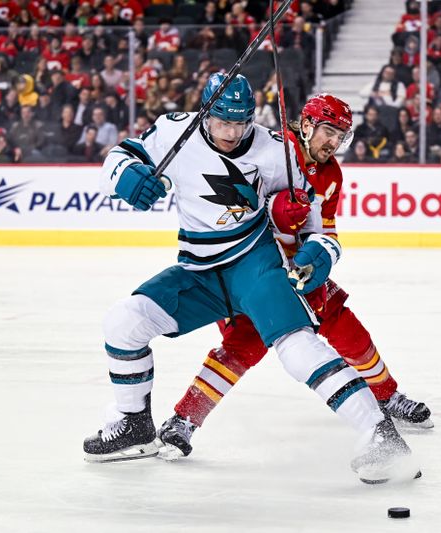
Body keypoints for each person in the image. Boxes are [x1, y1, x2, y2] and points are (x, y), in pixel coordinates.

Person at [83, 74, 417, 483]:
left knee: (296, 345)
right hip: (198, 271)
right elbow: (118, 158)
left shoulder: (275, 151)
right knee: (124, 322)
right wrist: (125, 177)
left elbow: (320, 230)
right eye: (222, 123)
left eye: (240, 124)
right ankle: (134, 424)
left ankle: (378, 433)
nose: (231, 133)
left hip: (254, 265)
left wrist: (317, 252)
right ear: (205, 113)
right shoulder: (174, 130)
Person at [156, 95, 433, 460]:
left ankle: (386, 394)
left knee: (343, 324)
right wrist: (277, 210)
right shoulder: (270, 150)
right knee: (244, 343)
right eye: (329, 132)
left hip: (298, 266)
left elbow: (326, 231)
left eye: (341, 136)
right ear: (306, 125)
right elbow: (231, 207)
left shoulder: (331, 174)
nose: (334, 143)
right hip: (252, 266)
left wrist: (315, 257)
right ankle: (184, 420)